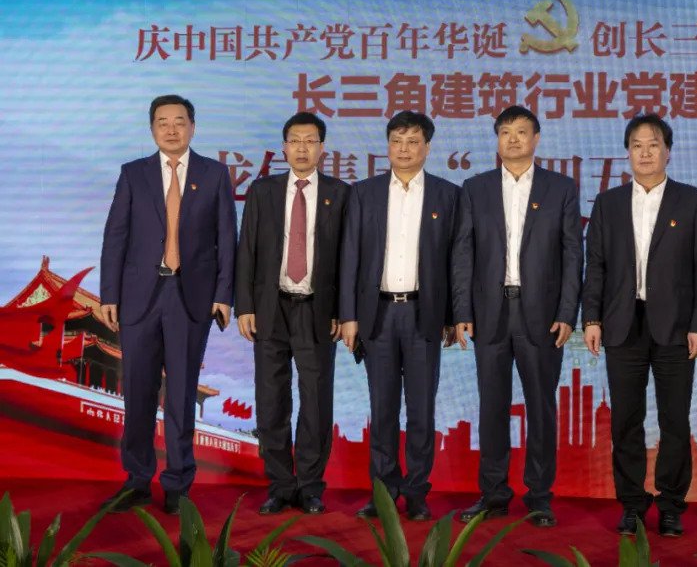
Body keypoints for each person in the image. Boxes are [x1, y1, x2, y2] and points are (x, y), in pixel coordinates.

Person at [99, 95, 236, 514]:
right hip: (139, 297)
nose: (172, 129)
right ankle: (137, 480)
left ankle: (178, 483)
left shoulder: (214, 174)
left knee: (181, 393)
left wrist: (223, 295)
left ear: (193, 127)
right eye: (163, 122)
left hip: (190, 297)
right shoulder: (133, 174)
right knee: (137, 391)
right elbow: (115, 236)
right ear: (152, 129)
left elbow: (227, 238)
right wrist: (109, 295)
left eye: (180, 121)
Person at [581, 113, 697, 538]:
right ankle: (632, 504)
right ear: (627, 153)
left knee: (675, 420)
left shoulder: (692, 201)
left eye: (653, 145)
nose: (645, 153)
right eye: (637, 146)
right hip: (622, 326)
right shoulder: (608, 203)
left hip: (677, 328)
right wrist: (591, 318)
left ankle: (672, 505)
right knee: (625, 421)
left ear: (667, 152)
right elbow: (596, 266)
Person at [451, 105, 582, 528]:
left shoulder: (560, 188)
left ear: (536, 139)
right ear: (497, 140)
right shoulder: (476, 188)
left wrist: (567, 312)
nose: (512, 139)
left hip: (542, 316)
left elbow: (572, 254)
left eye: (521, 132)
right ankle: (493, 494)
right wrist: (462, 310)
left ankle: (539, 497)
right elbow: (463, 252)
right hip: (489, 312)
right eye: (505, 132)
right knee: (492, 406)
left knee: (541, 408)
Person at [339, 111, 460, 522]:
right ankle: (384, 493)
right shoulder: (364, 193)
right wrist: (349, 316)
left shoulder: (447, 195)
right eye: (397, 141)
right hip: (378, 314)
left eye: (413, 141)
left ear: (427, 147)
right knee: (383, 408)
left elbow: (456, 261)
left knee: (421, 411)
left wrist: (452, 316)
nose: (404, 149)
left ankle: (417, 492)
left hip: (424, 315)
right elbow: (350, 257)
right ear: (387, 146)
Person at [234, 111, 349, 515]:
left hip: (318, 309)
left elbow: (348, 258)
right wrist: (244, 306)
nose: (302, 148)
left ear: (322, 148)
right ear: (284, 148)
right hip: (270, 307)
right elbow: (247, 250)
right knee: (271, 399)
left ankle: (311, 486)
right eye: (295, 141)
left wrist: (342, 310)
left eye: (310, 141)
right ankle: (281, 485)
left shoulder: (340, 193)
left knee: (316, 400)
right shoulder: (262, 191)